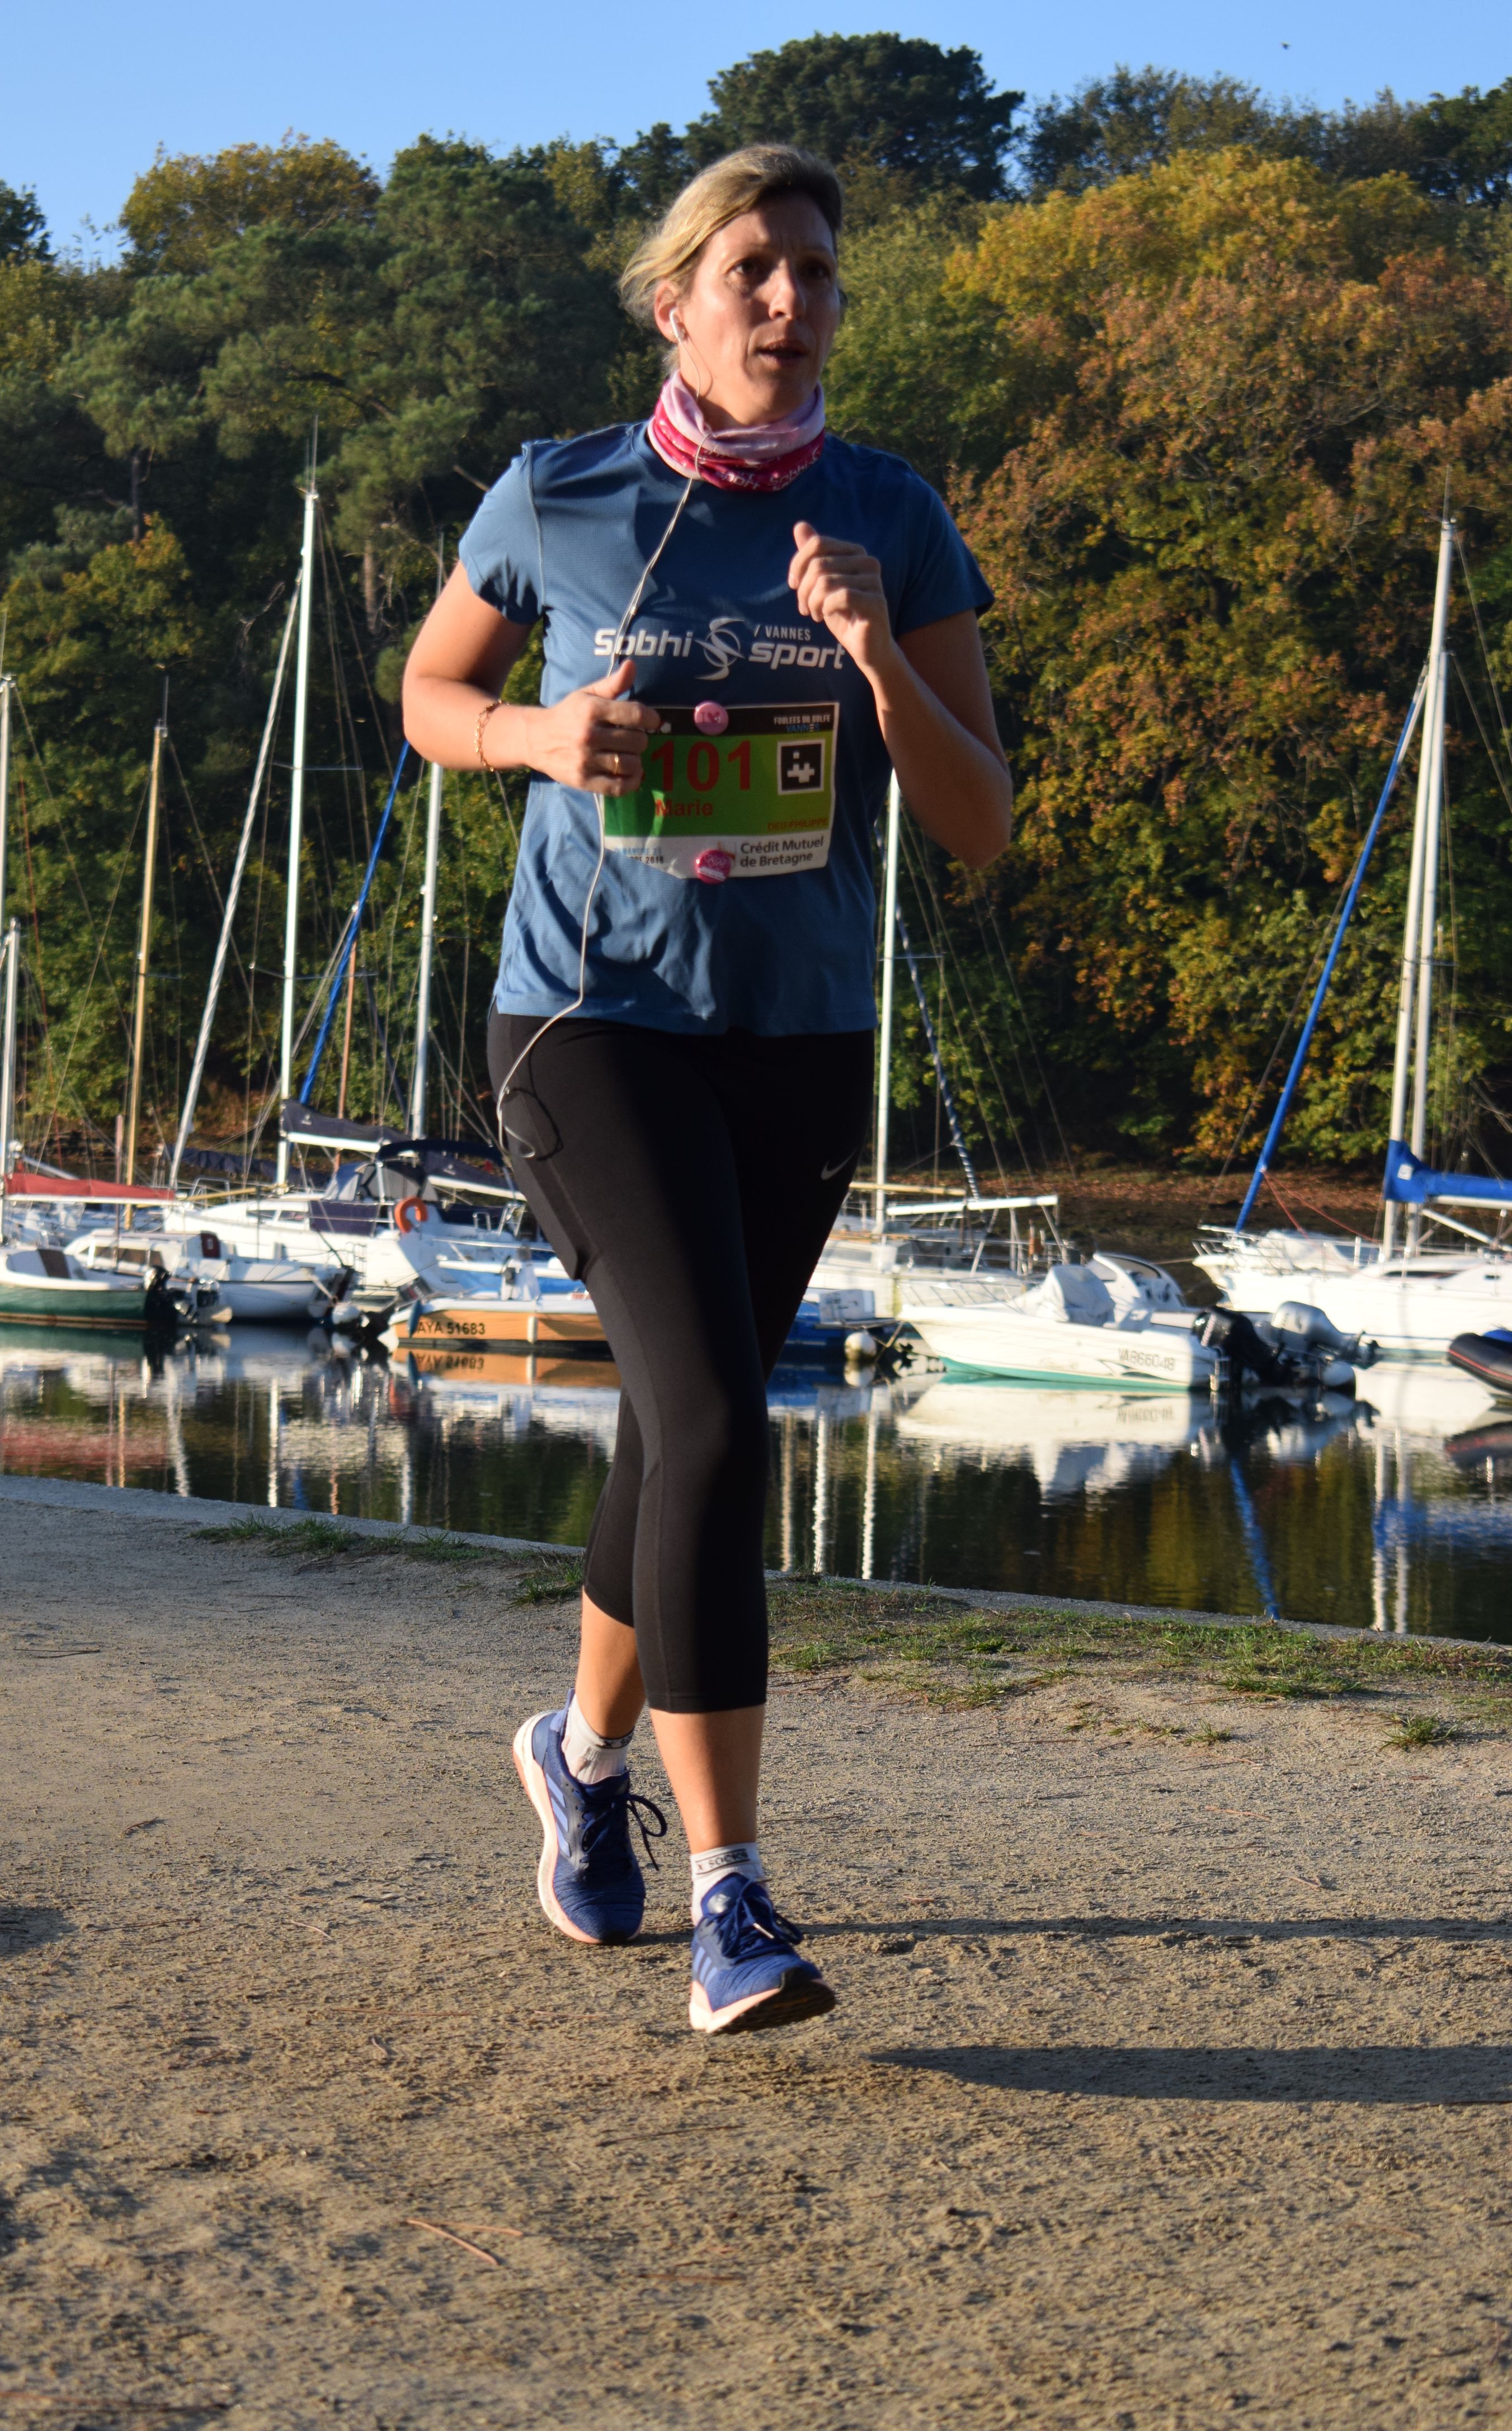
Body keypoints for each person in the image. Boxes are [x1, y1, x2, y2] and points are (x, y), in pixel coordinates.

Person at [402, 143, 1010, 2034]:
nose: (791, 299)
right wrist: (537, 735)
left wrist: (872, 657)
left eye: (816, 271)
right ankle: (733, 1897)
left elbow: (980, 822)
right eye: (754, 268)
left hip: (799, 1037)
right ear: (676, 304)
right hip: (588, 1022)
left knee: (688, 1424)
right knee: (720, 1425)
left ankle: (580, 1756)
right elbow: (430, 696)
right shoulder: (562, 492)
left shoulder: (892, 515)